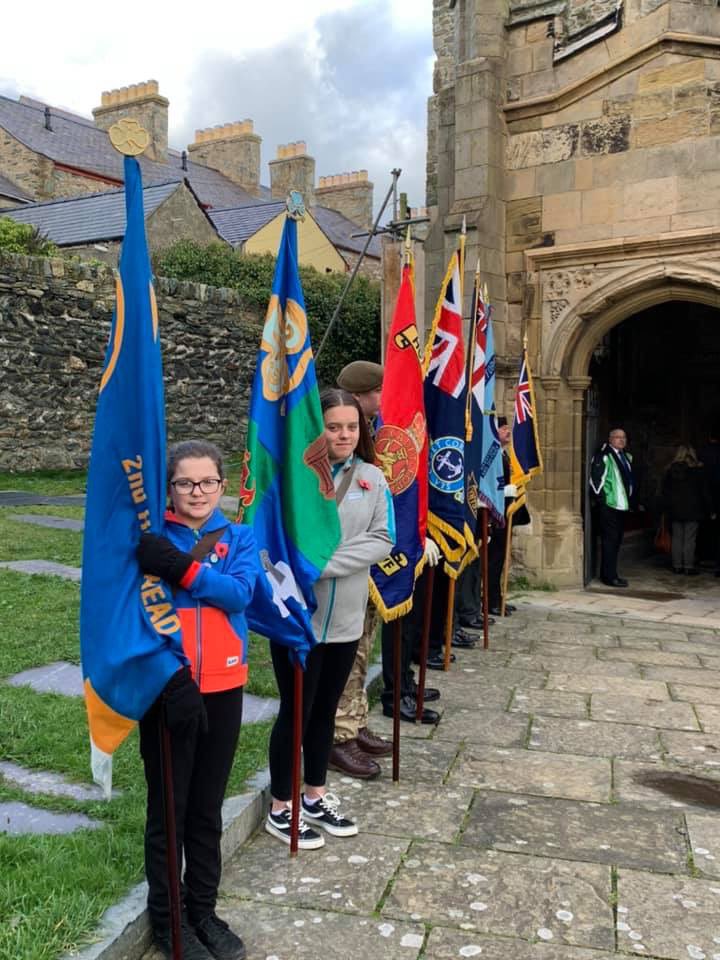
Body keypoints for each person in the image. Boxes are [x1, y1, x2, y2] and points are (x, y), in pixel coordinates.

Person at [136, 439, 258, 960]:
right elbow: (137, 620)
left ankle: (202, 910)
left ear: (222, 486)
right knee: (170, 809)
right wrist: (169, 678)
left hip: (225, 687)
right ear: (170, 488)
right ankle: (169, 922)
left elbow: (238, 594)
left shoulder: (240, 537)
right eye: (186, 482)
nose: (197, 492)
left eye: (208, 482)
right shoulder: (148, 542)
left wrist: (183, 570)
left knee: (207, 808)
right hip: (170, 690)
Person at [265, 388, 394, 848]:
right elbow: (275, 540)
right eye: (334, 426)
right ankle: (281, 807)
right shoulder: (296, 479)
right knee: (296, 711)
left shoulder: (372, 478)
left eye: (351, 427)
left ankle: (315, 795)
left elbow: (383, 538)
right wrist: (305, 565)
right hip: (298, 617)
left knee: (325, 710)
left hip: (345, 619)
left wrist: (322, 561)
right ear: (320, 429)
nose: (343, 435)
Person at [329, 360, 393, 778]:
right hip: (327, 583)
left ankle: (355, 719)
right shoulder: (338, 445)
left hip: (360, 571)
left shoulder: (368, 448)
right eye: (378, 392)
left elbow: (381, 526)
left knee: (363, 644)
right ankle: (338, 734)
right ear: (361, 395)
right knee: (343, 653)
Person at [589, 426, 635, 587]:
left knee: (616, 542)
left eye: (624, 438)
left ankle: (613, 573)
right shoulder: (605, 456)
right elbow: (596, 481)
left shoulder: (626, 456)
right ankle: (609, 577)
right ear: (610, 439)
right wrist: (602, 501)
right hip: (609, 505)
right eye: (617, 437)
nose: (621, 440)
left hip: (621, 506)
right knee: (610, 541)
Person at [662, 445, 712, 575]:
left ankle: (677, 565)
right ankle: (688, 566)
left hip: (675, 510)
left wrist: (665, 509)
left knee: (677, 538)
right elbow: (704, 493)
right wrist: (710, 509)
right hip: (693, 509)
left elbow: (664, 493)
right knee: (690, 539)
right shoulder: (698, 471)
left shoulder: (669, 471)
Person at [487, 417, 518, 616]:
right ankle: (490, 601)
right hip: (494, 515)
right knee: (493, 560)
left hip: (503, 513)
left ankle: (497, 597)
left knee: (499, 559)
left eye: (508, 428)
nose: (508, 432)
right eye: (503, 428)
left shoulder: (502, 453)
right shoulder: (492, 455)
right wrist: (505, 491)